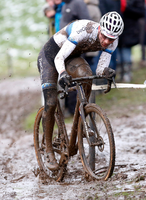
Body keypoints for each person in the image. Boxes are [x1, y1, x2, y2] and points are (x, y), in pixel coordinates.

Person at [37, 11, 124, 171]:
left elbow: (100, 68)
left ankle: (81, 115)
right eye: (104, 36)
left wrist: (106, 72)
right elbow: (58, 59)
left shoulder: (113, 41)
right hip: (51, 57)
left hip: (71, 56)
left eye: (110, 39)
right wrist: (62, 74)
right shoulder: (84, 30)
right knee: (51, 101)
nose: (105, 42)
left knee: (87, 76)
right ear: (99, 29)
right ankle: (49, 150)